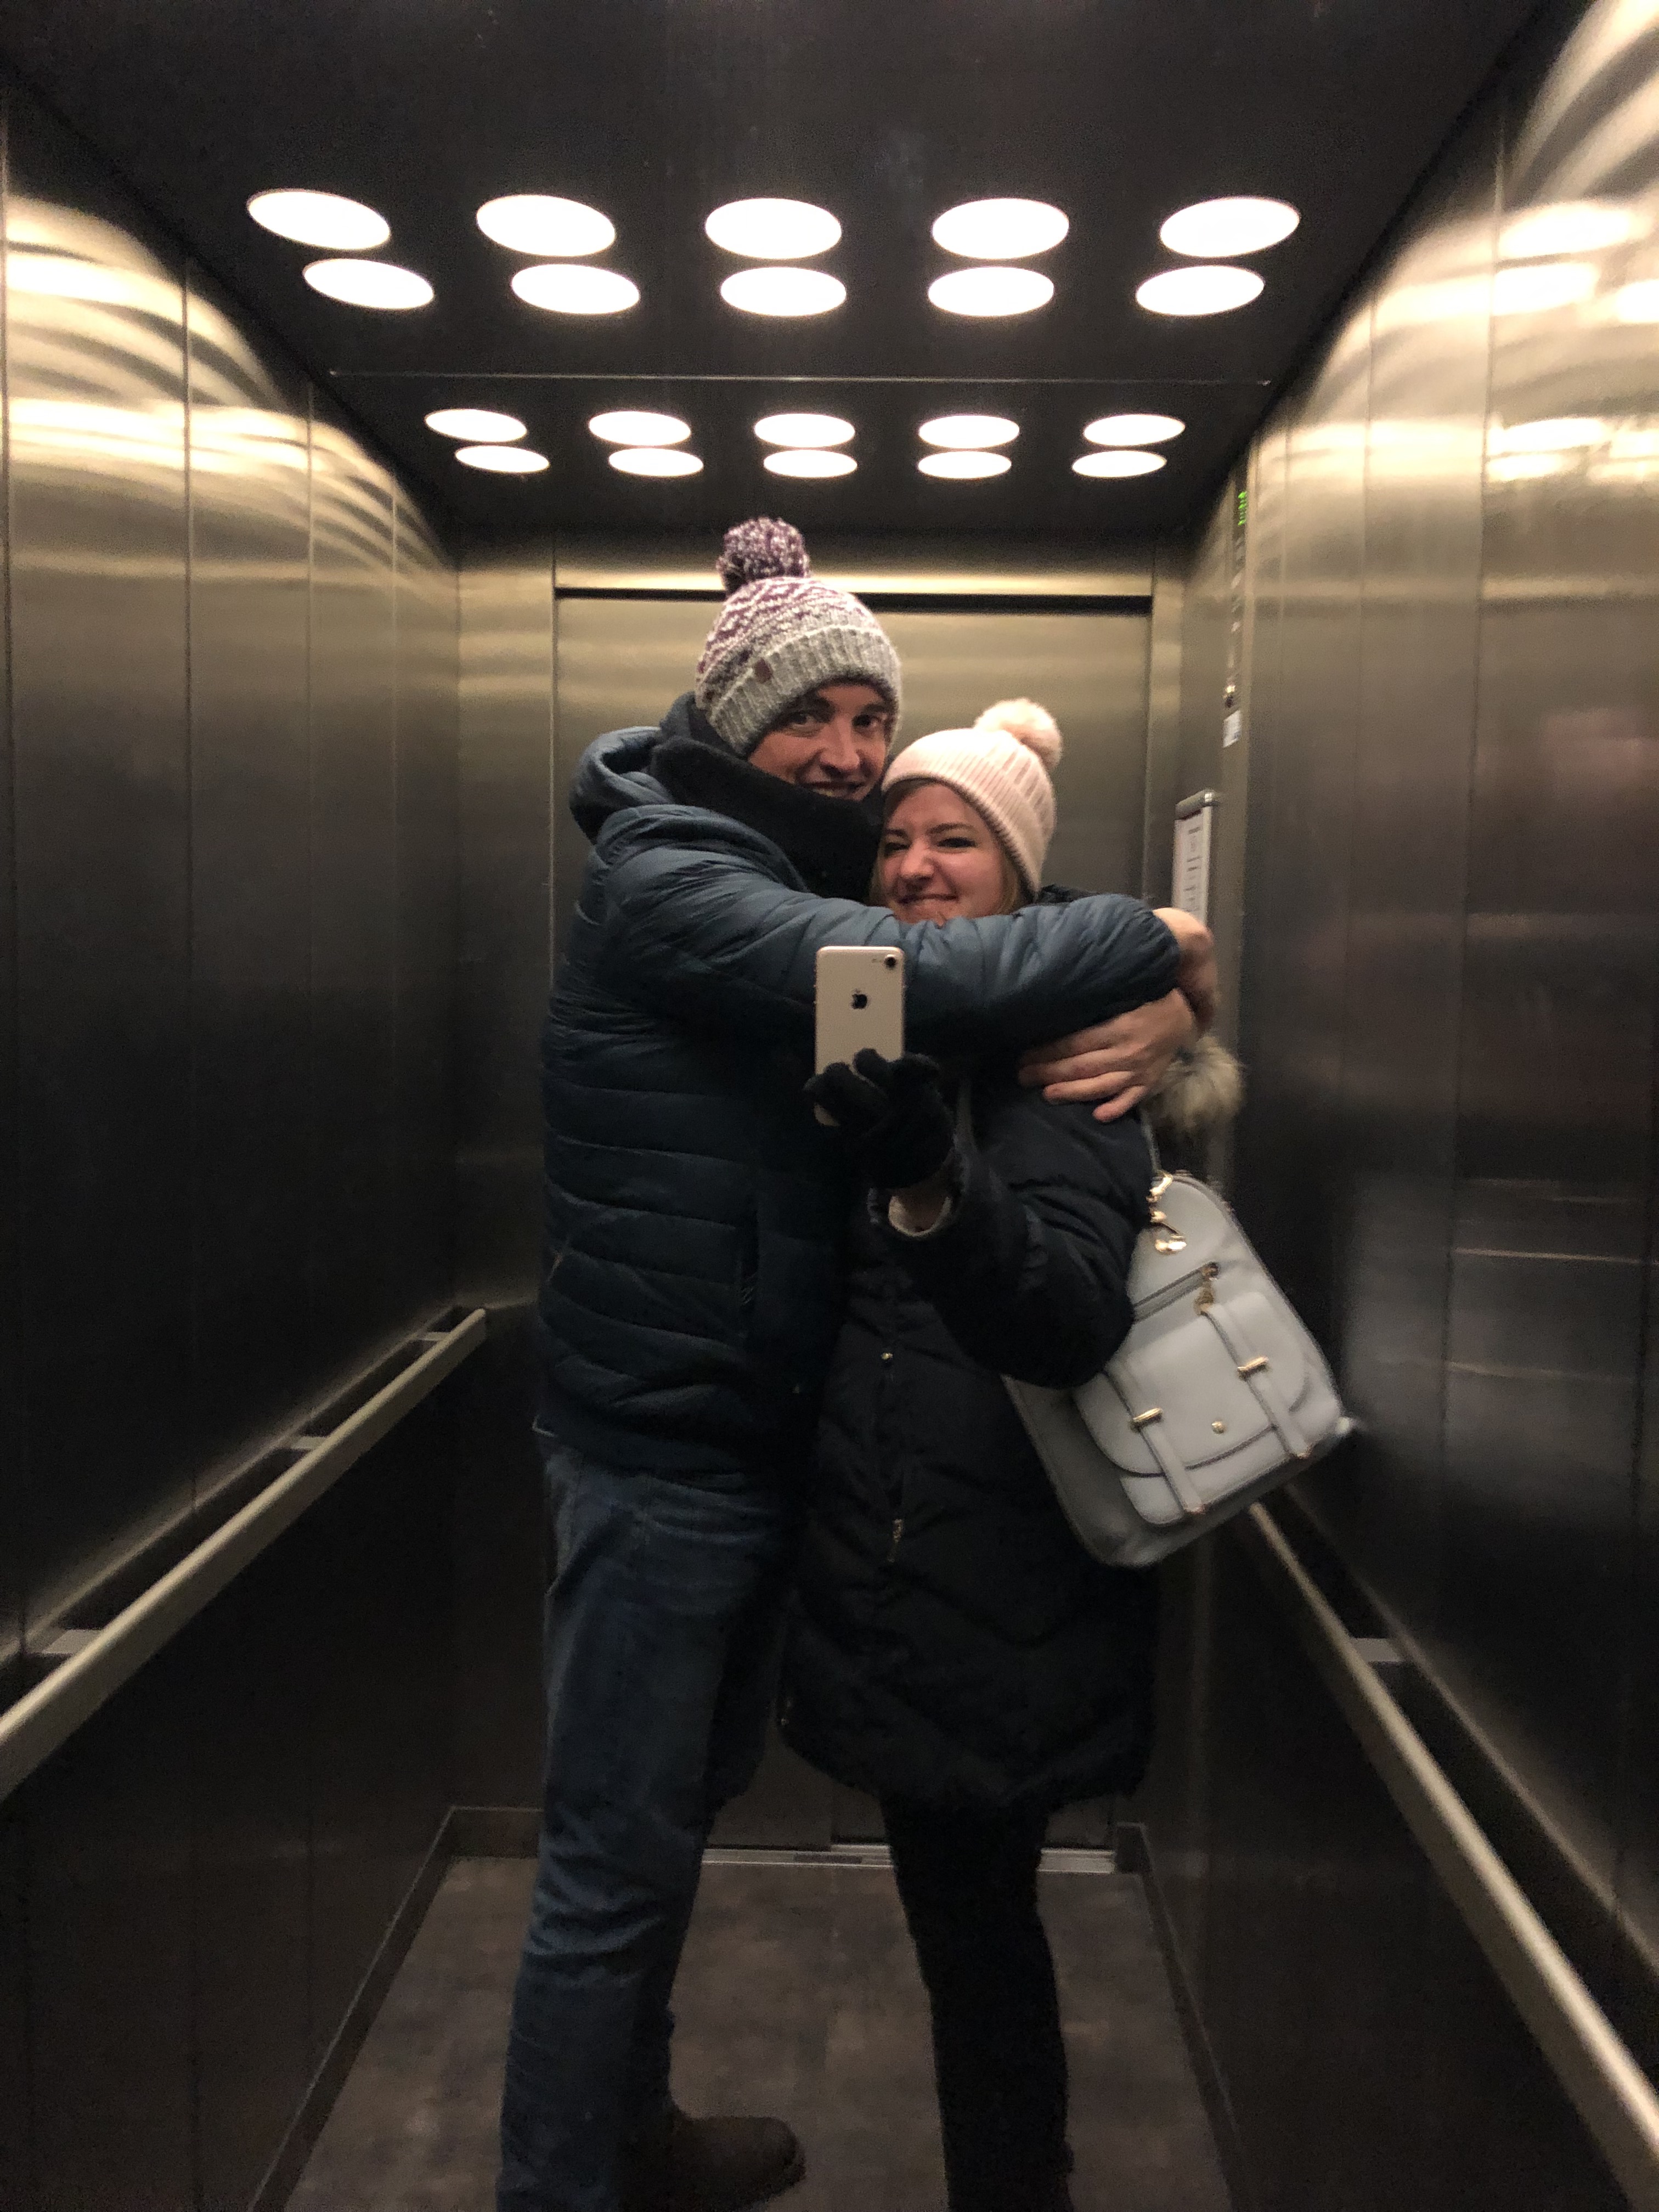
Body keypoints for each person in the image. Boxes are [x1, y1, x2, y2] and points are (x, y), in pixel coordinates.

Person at [498, 523, 1216, 2212]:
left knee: (667, 1833)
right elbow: (929, 975)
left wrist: (1177, 1018)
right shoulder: (677, 879)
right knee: (612, 1864)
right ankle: (567, 2181)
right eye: (807, 719)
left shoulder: (810, 892)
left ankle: (632, 2132)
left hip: (770, 1446)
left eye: (870, 722)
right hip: (661, 1451)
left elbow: (965, 976)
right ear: (725, 721)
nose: (848, 759)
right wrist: (1171, 942)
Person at [783, 699, 1239, 2212]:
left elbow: (1065, 1317)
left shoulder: (1063, 1059)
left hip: (1003, 1591)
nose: (915, 866)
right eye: (897, 841)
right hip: (915, 1567)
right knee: (967, 1938)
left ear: (1022, 876)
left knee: (980, 1958)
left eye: (956, 841)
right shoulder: (898, 1023)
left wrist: (933, 1183)